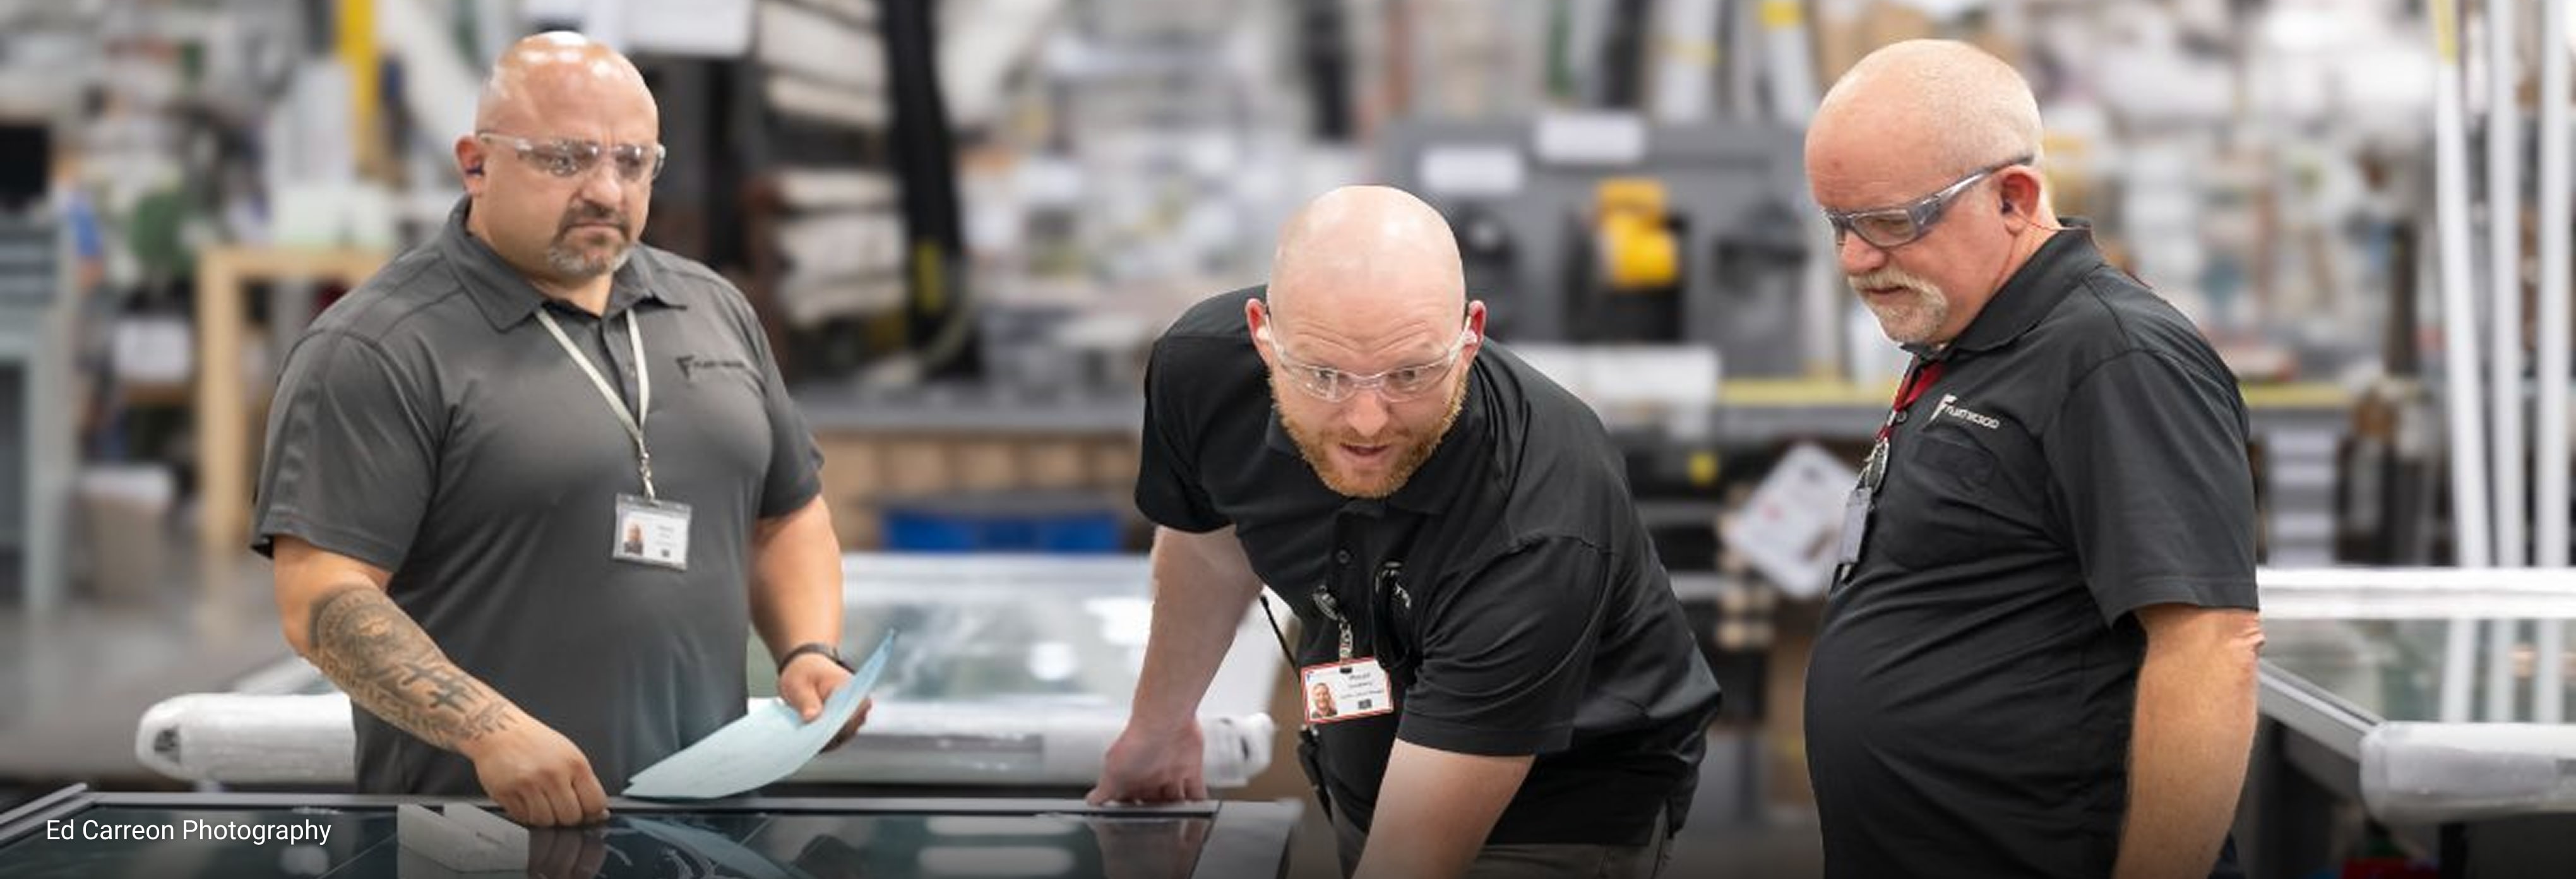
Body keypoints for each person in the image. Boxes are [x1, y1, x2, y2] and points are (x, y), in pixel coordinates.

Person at [253, 32, 864, 827]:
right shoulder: (379, 347)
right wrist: (488, 730)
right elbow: (322, 599)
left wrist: (808, 650)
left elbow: (786, 514)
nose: (607, 191)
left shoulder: (712, 310)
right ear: (476, 163)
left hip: (709, 828)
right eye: (566, 159)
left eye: (634, 161)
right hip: (477, 835)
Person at [1087, 185, 1722, 879]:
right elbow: (1211, 551)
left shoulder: (1539, 519)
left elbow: (1410, 863)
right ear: (1262, 335)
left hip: (1556, 819)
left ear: (1471, 334)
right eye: (1324, 374)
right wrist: (1157, 729)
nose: (1366, 421)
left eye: (1410, 374)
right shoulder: (1202, 370)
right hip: (1362, 763)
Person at [1801, 40, 2264, 878]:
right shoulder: (1974, 339)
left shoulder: (2115, 358)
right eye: (1838, 224)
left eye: (1889, 224)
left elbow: (2209, 649)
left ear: (2013, 198)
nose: (1856, 261)